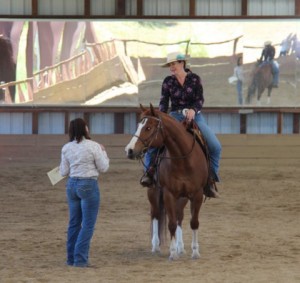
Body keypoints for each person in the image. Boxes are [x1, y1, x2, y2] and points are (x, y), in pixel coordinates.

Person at [141, 51, 222, 198]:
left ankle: (209, 179)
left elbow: (199, 100)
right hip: (174, 116)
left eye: (174, 64)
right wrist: (161, 117)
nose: (171, 67)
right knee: (154, 142)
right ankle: (149, 173)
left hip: (195, 116)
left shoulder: (195, 79)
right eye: (170, 65)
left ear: (182, 63)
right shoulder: (168, 82)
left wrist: (193, 110)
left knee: (215, 146)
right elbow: (164, 102)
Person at [59, 118, 109, 267]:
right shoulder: (94, 146)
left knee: (74, 223)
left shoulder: (66, 147)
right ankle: (80, 259)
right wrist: (104, 152)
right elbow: (104, 167)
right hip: (88, 184)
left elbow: (63, 171)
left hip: (72, 185)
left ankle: (71, 259)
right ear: (85, 129)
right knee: (87, 225)